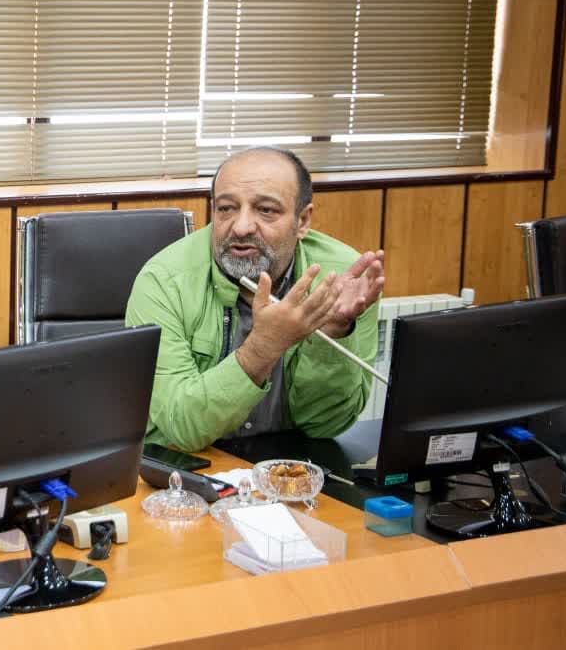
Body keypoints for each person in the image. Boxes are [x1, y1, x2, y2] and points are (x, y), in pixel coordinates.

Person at [125, 147, 384, 451]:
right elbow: (181, 427)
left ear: (302, 221)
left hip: (286, 466)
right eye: (226, 208)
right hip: (187, 466)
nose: (241, 226)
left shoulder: (343, 279)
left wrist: (334, 330)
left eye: (266, 210)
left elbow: (324, 425)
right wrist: (263, 347)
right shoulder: (164, 280)